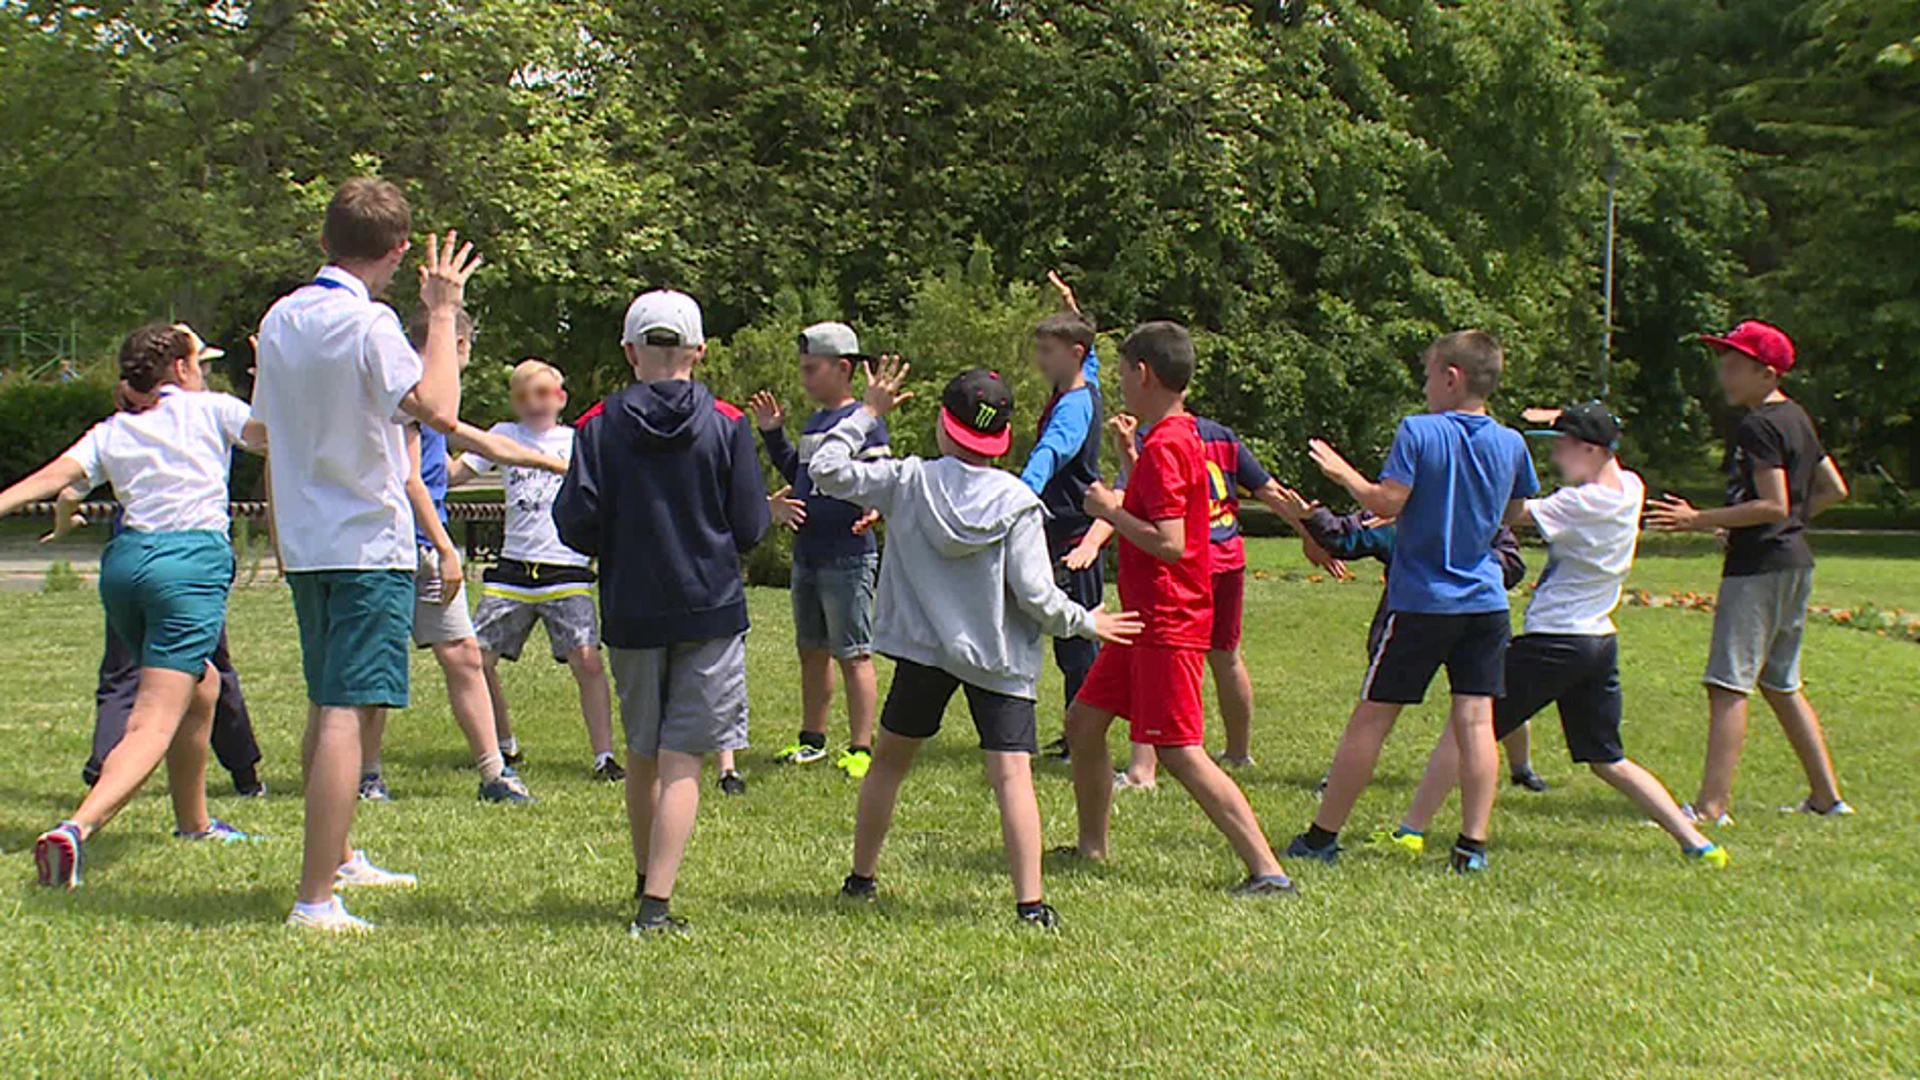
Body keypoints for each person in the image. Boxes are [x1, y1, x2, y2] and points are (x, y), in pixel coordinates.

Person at [809, 359, 1141, 927]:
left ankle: (861, 879)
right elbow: (1036, 596)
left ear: (943, 424)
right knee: (1012, 776)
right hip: (999, 658)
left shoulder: (906, 480)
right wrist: (1085, 621)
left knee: (888, 763)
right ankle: (1030, 905)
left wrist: (868, 411)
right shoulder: (1016, 502)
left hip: (923, 652)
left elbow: (825, 468)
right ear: (1003, 438)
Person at [254, 177, 479, 932]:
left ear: (324, 240)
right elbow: (440, 409)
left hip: (311, 543)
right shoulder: (373, 323)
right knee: (349, 707)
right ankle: (316, 898)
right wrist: (442, 314)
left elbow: (261, 433)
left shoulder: (281, 317)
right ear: (400, 251)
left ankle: (339, 854)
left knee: (328, 698)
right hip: (364, 542)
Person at [1379, 403, 1728, 866]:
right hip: (1599, 641)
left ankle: (1410, 832)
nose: (1555, 457)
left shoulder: (1577, 504)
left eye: (1562, 447)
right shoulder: (1630, 486)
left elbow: (1507, 513)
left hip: (1554, 641)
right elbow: (1604, 438)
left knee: (1465, 730)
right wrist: (1561, 415)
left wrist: (1453, 483)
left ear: (1590, 449)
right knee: (1608, 759)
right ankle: (1697, 844)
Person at [2, 324, 267, 889]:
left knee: (204, 685)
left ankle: (194, 824)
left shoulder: (114, 430)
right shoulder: (211, 409)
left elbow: (57, 478)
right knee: (152, 718)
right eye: (199, 361)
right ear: (178, 368)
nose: (204, 371)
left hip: (125, 567)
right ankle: (75, 830)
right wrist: (268, 373)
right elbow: (269, 435)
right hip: (188, 567)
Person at [554, 289, 770, 936]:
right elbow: (753, 525)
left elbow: (574, 521)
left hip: (632, 605)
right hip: (709, 606)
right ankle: (656, 905)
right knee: (685, 758)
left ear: (630, 352)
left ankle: (646, 880)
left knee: (643, 752)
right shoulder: (728, 421)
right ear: (698, 352)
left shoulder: (597, 424)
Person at [1286, 329, 1539, 873]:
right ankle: (1472, 846)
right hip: (1486, 604)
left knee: (1372, 720)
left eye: (1429, 375)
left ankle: (1321, 837)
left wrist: (1340, 473)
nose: (1425, 387)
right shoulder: (1512, 442)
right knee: (1475, 722)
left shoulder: (1419, 432)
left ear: (1452, 377)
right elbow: (1514, 511)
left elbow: (1386, 501)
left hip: (1423, 602)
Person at [1060, 321, 1295, 898]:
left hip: (1167, 619)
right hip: (1144, 618)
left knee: (1179, 750)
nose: (1118, 383)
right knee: (1084, 724)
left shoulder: (1169, 446)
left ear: (1143, 373)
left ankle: (1268, 871)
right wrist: (1127, 460)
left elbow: (1171, 541)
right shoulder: (1175, 436)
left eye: (1121, 372)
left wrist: (1108, 512)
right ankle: (1092, 847)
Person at [1067, 412, 1355, 787]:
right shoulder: (1220, 437)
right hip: (1227, 559)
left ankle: (1143, 769)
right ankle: (1238, 752)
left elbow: (1132, 498)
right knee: (1226, 656)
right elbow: (1271, 491)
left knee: (1153, 653)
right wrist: (1309, 533)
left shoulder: (1160, 440)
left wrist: (1092, 539)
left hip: (1186, 564)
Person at [353, 311, 567, 805]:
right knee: (379, 666)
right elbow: (410, 482)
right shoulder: (406, 392)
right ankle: (368, 777)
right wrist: (447, 547)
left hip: (425, 547)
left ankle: (494, 775)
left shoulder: (433, 400)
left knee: (465, 657)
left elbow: (483, 445)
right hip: (395, 548)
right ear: (456, 342)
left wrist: (554, 464)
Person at [1647, 321, 1851, 824]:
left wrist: (1699, 520)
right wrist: (1771, 526)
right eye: (1724, 360)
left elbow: (1772, 503)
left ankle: (1711, 807)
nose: (1725, 371)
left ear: (1767, 372)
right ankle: (1826, 798)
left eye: (1736, 363)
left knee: (1727, 685)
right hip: (1793, 563)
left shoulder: (1758, 425)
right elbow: (1832, 489)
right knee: (1781, 683)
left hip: (1758, 570)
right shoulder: (1796, 417)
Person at [1268, 491, 1546, 793]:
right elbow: (1346, 537)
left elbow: (1513, 564)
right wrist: (1313, 516)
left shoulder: (1479, 507)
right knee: (1379, 703)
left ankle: (1522, 768)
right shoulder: (1397, 509)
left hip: (1477, 617)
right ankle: (1340, 776)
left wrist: (1463, 560)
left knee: (1496, 694)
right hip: (1413, 617)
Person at [451, 358, 619, 782]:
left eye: (544, 393)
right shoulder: (502, 436)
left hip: (566, 568)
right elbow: (453, 473)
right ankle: (502, 744)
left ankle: (604, 756)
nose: (534, 403)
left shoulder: (579, 440)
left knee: (587, 660)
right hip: (513, 570)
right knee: (476, 660)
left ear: (561, 398)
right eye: (524, 395)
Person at [44, 489, 266, 796]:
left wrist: (64, 519)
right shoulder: (205, 439)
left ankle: (103, 771)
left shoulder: (122, 438)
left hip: (133, 555)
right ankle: (245, 776)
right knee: (210, 666)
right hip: (190, 559)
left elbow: (69, 487)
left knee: (123, 673)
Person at [748, 323, 886, 780]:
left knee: (854, 652)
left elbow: (880, 479)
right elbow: (801, 473)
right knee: (812, 650)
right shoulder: (814, 423)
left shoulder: (864, 422)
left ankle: (862, 747)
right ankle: (813, 740)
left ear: (843, 368)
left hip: (848, 554)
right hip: (809, 553)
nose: (805, 378)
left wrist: (874, 511)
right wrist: (773, 435)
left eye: (812, 369)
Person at [1019, 273, 1105, 759]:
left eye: (1048, 351)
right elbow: (1089, 352)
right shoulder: (1082, 382)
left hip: (1072, 537)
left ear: (1070, 352)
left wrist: (1018, 497)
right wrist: (1071, 305)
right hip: (1060, 531)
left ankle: (1083, 739)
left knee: (1078, 642)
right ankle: (1077, 733)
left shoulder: (1074, 407)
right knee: (1072, 639)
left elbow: (1050, 454)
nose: (1040, 360)